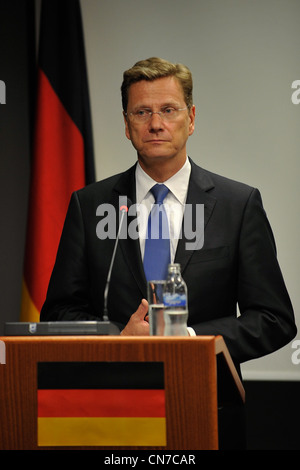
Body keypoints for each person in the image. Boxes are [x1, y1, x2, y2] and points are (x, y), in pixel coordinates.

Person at [40, 57, 297, 371]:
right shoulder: (89, 205)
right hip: (114, 399)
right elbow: (59, 312)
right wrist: (118, 341)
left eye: (168, 110)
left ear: (190, 119)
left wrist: (189, 340)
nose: (155, 124)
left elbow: (274, 320)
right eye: (142, 112)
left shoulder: (238, 205)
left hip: (205, 399)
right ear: (126, 123)